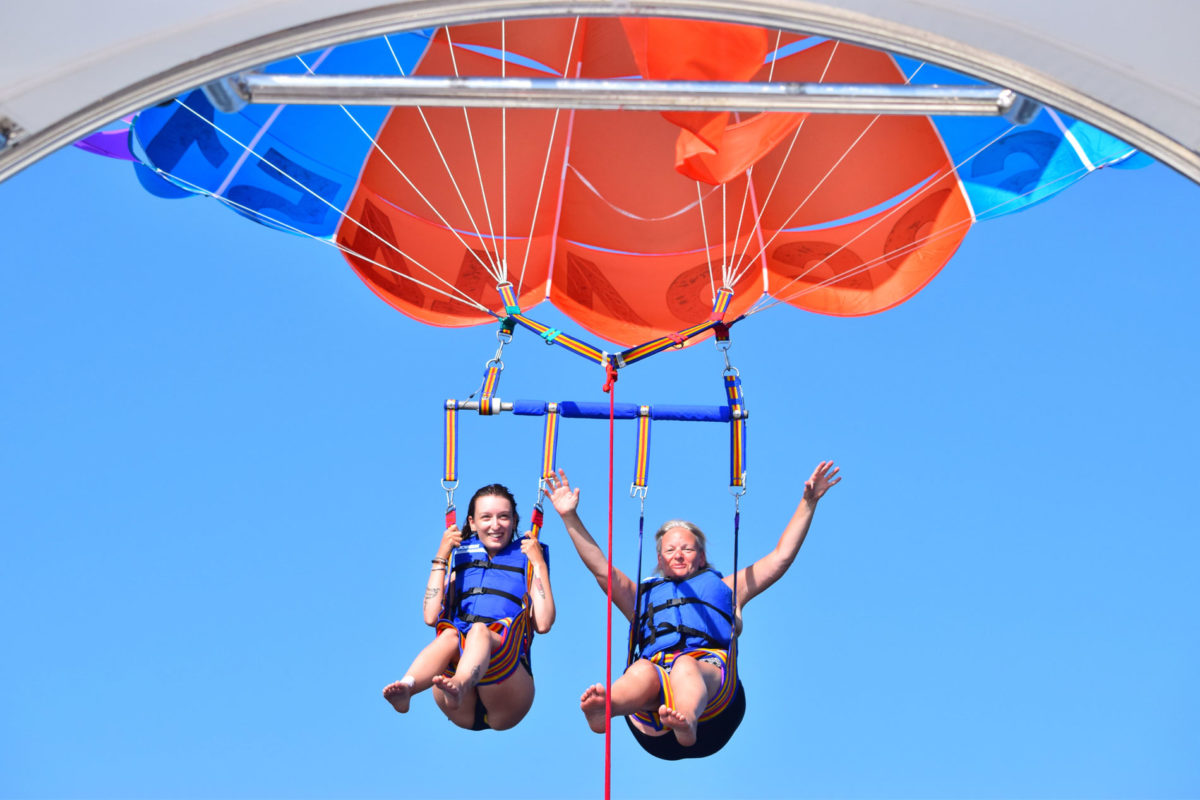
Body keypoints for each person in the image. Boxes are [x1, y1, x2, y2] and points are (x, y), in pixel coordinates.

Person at [544, 461, 839, 759]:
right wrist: (570, 516)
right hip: (653, 719)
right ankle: (608, 708)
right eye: (670, 550)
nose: (679, 555)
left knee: (685, 665)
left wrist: (808, 502)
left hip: (714, 710)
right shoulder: (642, 596)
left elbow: (780, 558)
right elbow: (601, 570)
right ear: (660, 560)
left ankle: (685, 718)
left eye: (687, 549)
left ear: (701, 557)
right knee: (641, 669)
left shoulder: (728, 588)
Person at [382, 484, 555, 730]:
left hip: (507, 686)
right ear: (472, 523)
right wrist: (442, 555)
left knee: (479, 631)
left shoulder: (528, 557)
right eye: (486, 517)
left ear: (515, 520)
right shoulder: (462, 558)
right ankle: (408, 688)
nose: (495, 525)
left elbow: (544, 623)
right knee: (450, 634)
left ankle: (460, 685)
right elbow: (431, 616)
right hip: (458, 699)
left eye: (503, 517)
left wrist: (539, 564)